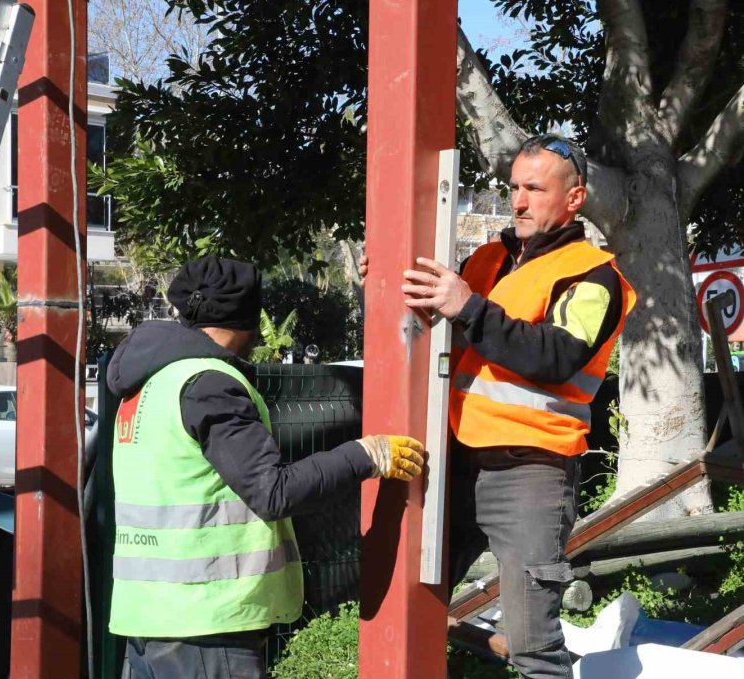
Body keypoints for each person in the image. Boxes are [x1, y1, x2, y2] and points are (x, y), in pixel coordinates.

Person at [364, 134, 636, 678]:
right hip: (453, 462)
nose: (518, 201)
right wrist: (386, 277)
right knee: (406, 609)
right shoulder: (489, 260)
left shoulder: (595, 274)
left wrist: (468, 306)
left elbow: (556, 355)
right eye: (515, 187)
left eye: (534, 189)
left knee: (534, 649)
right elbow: (426, 314)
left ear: (574, 198)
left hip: (530, 473)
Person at [107, 255, 424, 679]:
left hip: (147, 620)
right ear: (247, 320)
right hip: (206, 624)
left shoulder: (148, 382)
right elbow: (273, 492)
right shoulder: (209, 384)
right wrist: (365, 455)